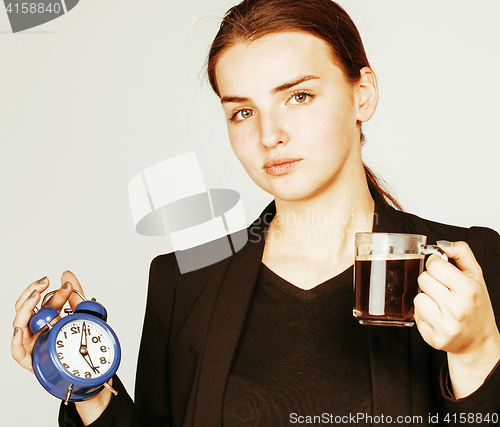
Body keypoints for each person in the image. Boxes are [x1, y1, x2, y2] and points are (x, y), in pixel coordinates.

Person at [12, 0, 500, 425]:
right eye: (242, 112)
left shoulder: (471, 266)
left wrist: (478, 356)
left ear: (363, 93)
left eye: (299, 96)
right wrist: (88, 382)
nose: (270, 136)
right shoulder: (182, 283)